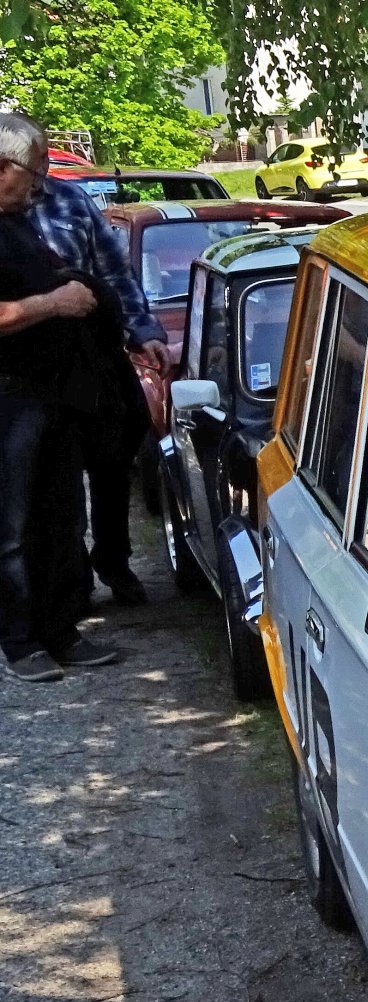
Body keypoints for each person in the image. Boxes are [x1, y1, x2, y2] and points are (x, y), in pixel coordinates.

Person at [7, 113, 165, 606]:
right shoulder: (5, 218)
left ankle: (114, 561)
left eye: (45, 159)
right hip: (39, 369)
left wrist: (143, 330)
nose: (45, 168)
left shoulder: (71, 201)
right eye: (36, 163)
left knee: (113, 463)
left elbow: (115, 272)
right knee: (56, 486)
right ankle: (67, 585)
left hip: (96, 358)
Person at [0, 121, 119, 680]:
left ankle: (59, 631)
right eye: (31, 172)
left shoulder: (16, 222)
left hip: (50, 394)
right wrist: (56, 302)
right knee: (13, 528)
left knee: (58, 517)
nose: (39, 183)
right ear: (3, 167)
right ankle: (20, 642)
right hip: (8, 402)